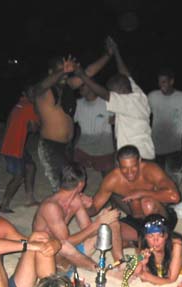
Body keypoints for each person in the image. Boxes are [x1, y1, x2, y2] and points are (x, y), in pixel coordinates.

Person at [34, 48, 113, 192]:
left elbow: (88, 72)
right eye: (60, 69)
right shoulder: (42, 91)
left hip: (68, 146)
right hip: (51, 146)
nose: (65, 73)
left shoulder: (68, 86)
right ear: (51, 72)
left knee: (71, 182)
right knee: (62, 187)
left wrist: (108, 55)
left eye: (66, 70)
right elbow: (41, 85)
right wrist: (63, 71)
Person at [32, 163, 123, 272]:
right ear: (81, 184)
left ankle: (120, 263)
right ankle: (101, 271)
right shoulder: (50, 207)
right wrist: (97, 223)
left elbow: (87, 229)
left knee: (111, 221)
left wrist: (103, 219)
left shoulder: (76, 200)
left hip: (71, 251)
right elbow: (66, 241)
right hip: (50, 255)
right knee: (64, 245)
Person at [79, 36, 155, 160]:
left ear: (121, 91)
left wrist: (82, 76)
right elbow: (125, 74)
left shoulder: (128, 102)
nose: (113, 95)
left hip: (135, 156)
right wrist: (116, 52)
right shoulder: (139, 94)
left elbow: (104, 94)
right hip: (146, 152)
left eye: (114, 93)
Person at [88, 145, 180, 245]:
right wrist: (82, 206)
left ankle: (152, 238)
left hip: (160, 218)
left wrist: (141, 193)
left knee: (147, 203)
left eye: (134, 167)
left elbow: (174, 197)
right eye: (124, 168)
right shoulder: (112, 180)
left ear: (139, 161)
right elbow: (95, 207)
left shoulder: (150, 170)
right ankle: (141, 241)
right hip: (137, 221)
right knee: (110, 228)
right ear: (118, 165)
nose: (130, 173)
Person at [0, 85, 41, 213]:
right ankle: (4, 205)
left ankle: (29, 199)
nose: (34, 94)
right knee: (18, 176)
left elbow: (11, 123)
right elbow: (34, 128)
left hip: (13, 144)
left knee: (30, 167)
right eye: (31, 91)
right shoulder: (29, 106)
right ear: (24, 93)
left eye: (35, 91)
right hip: (14, 146)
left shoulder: (19, 104)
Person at [73, 82, 116, 179]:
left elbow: (116, 120)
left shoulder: (106, 103)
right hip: (83, 148)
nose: (79, 87)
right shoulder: (77, 104)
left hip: (103, 149)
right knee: (74, 175)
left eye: (83, 85)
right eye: (79, 85)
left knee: (109, 179)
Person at [131, 214, 182, 285]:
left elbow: (171, 279)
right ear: (145, 237)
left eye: (160, 235)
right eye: (150, 236)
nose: (156, 240)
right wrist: (143, 264)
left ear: (166, 235)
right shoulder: (143, 242)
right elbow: (141, 274)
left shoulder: (177, 244)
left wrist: (143, 274)